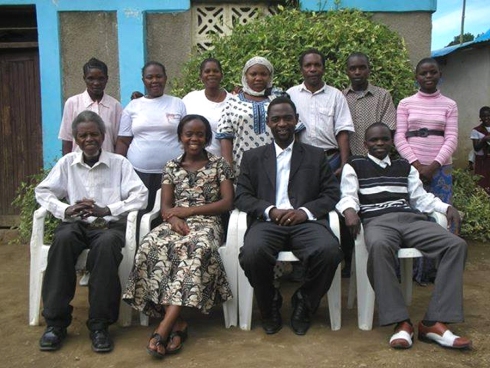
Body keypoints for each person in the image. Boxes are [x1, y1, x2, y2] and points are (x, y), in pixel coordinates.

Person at [336, 122, 472, 350]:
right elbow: (348, 195)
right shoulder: (355, 165)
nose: (379, 143)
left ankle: (434, 322)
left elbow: (421, 198)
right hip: (377, 221)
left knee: (455, 245)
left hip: (410, 220)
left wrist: (446, 208)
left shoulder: (404, 166)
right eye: (374, 140)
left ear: (392, 142)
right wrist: (349, 210)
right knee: (379, 246)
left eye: (384, 139)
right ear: (365, 143)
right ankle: (401, 322)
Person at [35, 110, 148, 353]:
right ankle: (56, 323)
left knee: (107, 246)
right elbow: (42, 191)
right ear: (75, 138)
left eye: (94, 134)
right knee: (62, 240)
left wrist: (106, 208)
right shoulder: (67, 163)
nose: (89, 139)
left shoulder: (119, 163)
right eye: (83, 135)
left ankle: (99, 325)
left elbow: (141, 195)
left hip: (108, 225)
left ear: (103, 135)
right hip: (75, 224)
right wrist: (67, 209)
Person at [123, 115, 234, 359]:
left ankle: (163, 327)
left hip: (208, 222)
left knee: (195, 249)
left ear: (207, 138)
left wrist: (188, 211)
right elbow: (165, 206)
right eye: (189, 134)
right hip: (174, 222)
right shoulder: (171, 166)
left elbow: (226, 203)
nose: (194, 139)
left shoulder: (219, 165)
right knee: (150, 246)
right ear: (180, 137)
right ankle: (179, 323)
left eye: (200, 134)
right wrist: (174, 219)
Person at [236, 97, 342, 336]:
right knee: (252, 253)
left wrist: (304, 212)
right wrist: (269, 210)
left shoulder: (315, 155)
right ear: (268, 124)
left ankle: (304, 301)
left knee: (329, 251)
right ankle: (268, 303)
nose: (282, 123)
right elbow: (242, 196)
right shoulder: (252, 157)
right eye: (276, 119)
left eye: (287, 118)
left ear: (296, 121)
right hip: (267, 222)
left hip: (305, 223)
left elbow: (331, 193)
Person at [394, 57, 458, 284]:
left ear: (440, 74)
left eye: (433, 72)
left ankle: (432, 272)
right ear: (416, 77)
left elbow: (451, 138)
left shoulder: (449, 104)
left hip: (440, 170)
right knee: (414, 216)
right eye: (423, 73)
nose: (428, 77)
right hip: (412, 169)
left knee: (440, 216)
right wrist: (416, 164)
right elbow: (399, 137)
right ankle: (410, 271)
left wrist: (433, 165)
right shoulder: (405, 103)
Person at [116, 61, 186, 217]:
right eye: (150, 77)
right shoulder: (133, 106)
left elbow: (187, 137)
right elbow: (123, 141)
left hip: (173, 173)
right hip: (139, 173)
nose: (155, 80)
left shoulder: (178, 104)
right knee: (141, 215)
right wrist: (118, 170)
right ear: (143, 80)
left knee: (170, 216)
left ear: (165, 78)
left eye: (159, 76)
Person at [287, 48, 354, 176]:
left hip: (331, 160)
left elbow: (343, 131)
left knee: (332, 196)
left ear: (323, 68)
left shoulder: (336, 95)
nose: (313, 69)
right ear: (301, 69)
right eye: (308, 65)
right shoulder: (291, 95)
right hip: (301, 160)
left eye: (317, 65)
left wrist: (344, 164)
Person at [216, 56, 279, 176]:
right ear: (245, 76)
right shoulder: (232, 103)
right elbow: (225, 139)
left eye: (263, 74)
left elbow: (293, 133)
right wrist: (228, 173)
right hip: (241, 170)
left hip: (276, 168)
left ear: (270, 76)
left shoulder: (279, 101)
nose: (258, 78)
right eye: (253, 74)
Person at [58, 57, 122, 154]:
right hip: (79, 165)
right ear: (84, 79)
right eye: (91, 78)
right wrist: (67, 167)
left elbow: (119, 141)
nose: (96, 83)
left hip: (107, 165)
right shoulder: (72, 103)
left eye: (101, 79)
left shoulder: (115, 106)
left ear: (107, 79)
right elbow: (67, 140)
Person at [342, 52, 396, 156]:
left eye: (362, 68)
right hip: (349, 160)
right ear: (347, 72)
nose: (357, 72)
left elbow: (389, 129)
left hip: (377, 158)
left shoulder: (383, 96)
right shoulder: (341, 97)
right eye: (353, 68)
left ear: (369, 70)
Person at [182, 58, 231, 157]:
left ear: (221, 75)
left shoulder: (233, 101)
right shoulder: (190, 99)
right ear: (201, 76)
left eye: (215, 71)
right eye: (207, 71)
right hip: (193, 162)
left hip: (222, 164)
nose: (211, 74)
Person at [470, 106, 490, 192]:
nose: (486, 118)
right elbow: (476, 148)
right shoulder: (476, 131)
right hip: (482, 160)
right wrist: (484, 139)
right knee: (482, 182)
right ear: (480, 117)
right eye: (483, 116)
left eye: (488, 115)